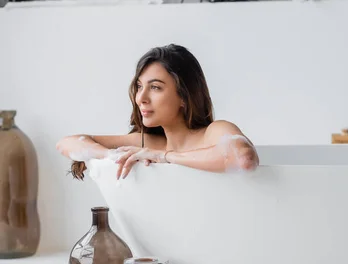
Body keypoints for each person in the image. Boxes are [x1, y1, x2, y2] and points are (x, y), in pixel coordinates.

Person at [56, 44, 259, 180]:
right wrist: (111, 155)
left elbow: (243, 159)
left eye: (155, 87)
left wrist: (164, 157)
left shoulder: (214, 132)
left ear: (184, 96)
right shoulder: (147, 144)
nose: (140, 98)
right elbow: (68, 143)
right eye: (139, 86)